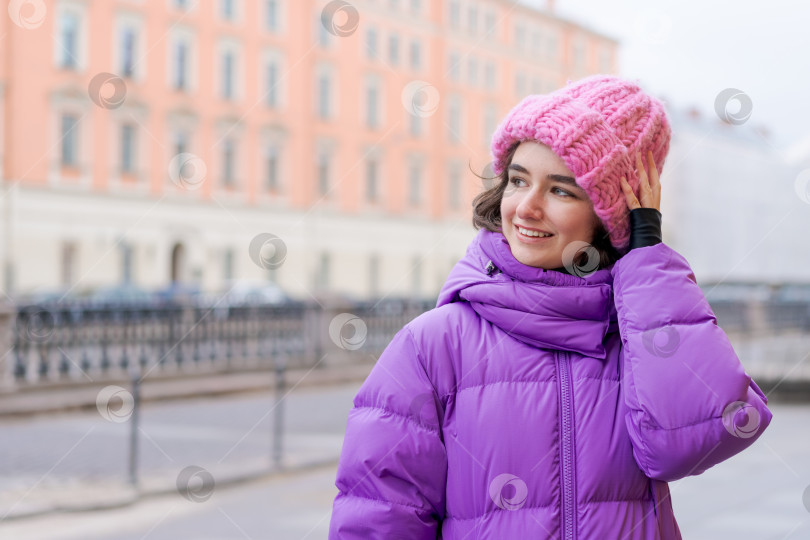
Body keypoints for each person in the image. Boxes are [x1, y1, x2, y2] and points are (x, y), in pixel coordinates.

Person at [328, 74, 773, 539]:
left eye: (561, 190)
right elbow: (375, 519)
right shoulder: (434, 343)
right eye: (518, 181)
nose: (526, 208)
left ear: (610, 216)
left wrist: (647, 258)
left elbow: (697, 437)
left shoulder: (636, 336)